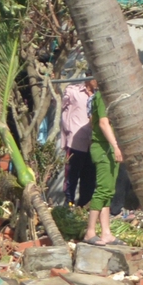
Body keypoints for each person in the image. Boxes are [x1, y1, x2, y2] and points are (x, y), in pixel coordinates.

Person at [84, 79, 121, 245]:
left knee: (109, 191)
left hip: (110, 148)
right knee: (103, 190)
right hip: (103, 147)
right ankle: (90, 231)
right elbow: (103, 122)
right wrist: (115, 146)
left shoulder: (110, 98)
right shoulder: (101, 97)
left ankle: (106, 232)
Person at [57, 77, 96, 209]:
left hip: (92, 142)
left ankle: (83, 206)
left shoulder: (99, 95)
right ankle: (69, 204)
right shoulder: (73, 91)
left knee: (89, 177)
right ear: (89, 77)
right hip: (76, 140)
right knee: (72, 175)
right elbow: (59, 105)